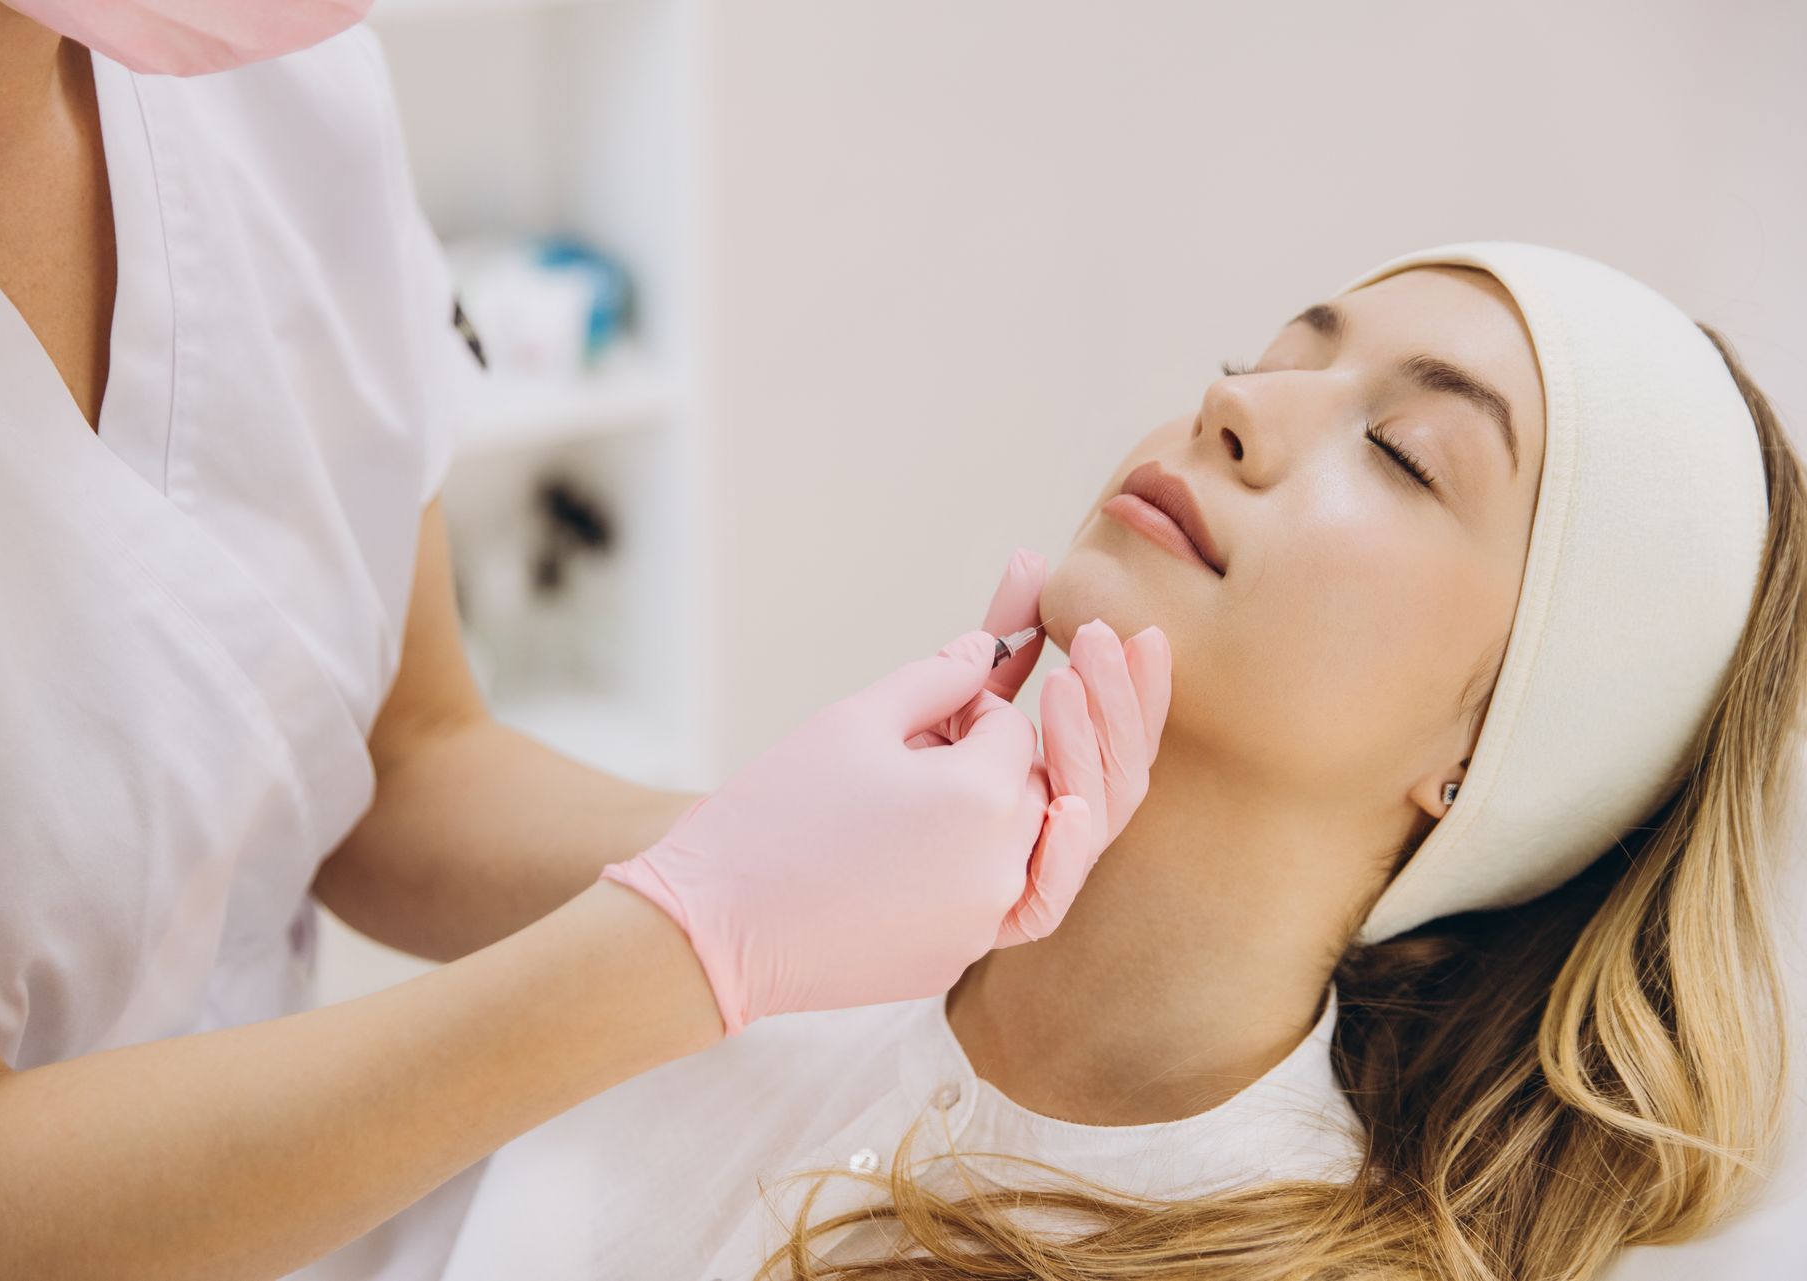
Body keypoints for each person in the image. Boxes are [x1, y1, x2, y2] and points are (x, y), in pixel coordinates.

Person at [0, 4, 1170, 1278]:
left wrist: (812, 853)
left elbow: (406, 765)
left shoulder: (288, 100)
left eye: (1386, 445)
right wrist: (700, 933)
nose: (1229, 411)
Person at [431, 244, 1804, 1281]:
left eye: (1400, 451)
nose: (1231, 403)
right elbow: (403, 799)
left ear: (1493, 750)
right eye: (1265, 355)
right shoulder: (773, 910)